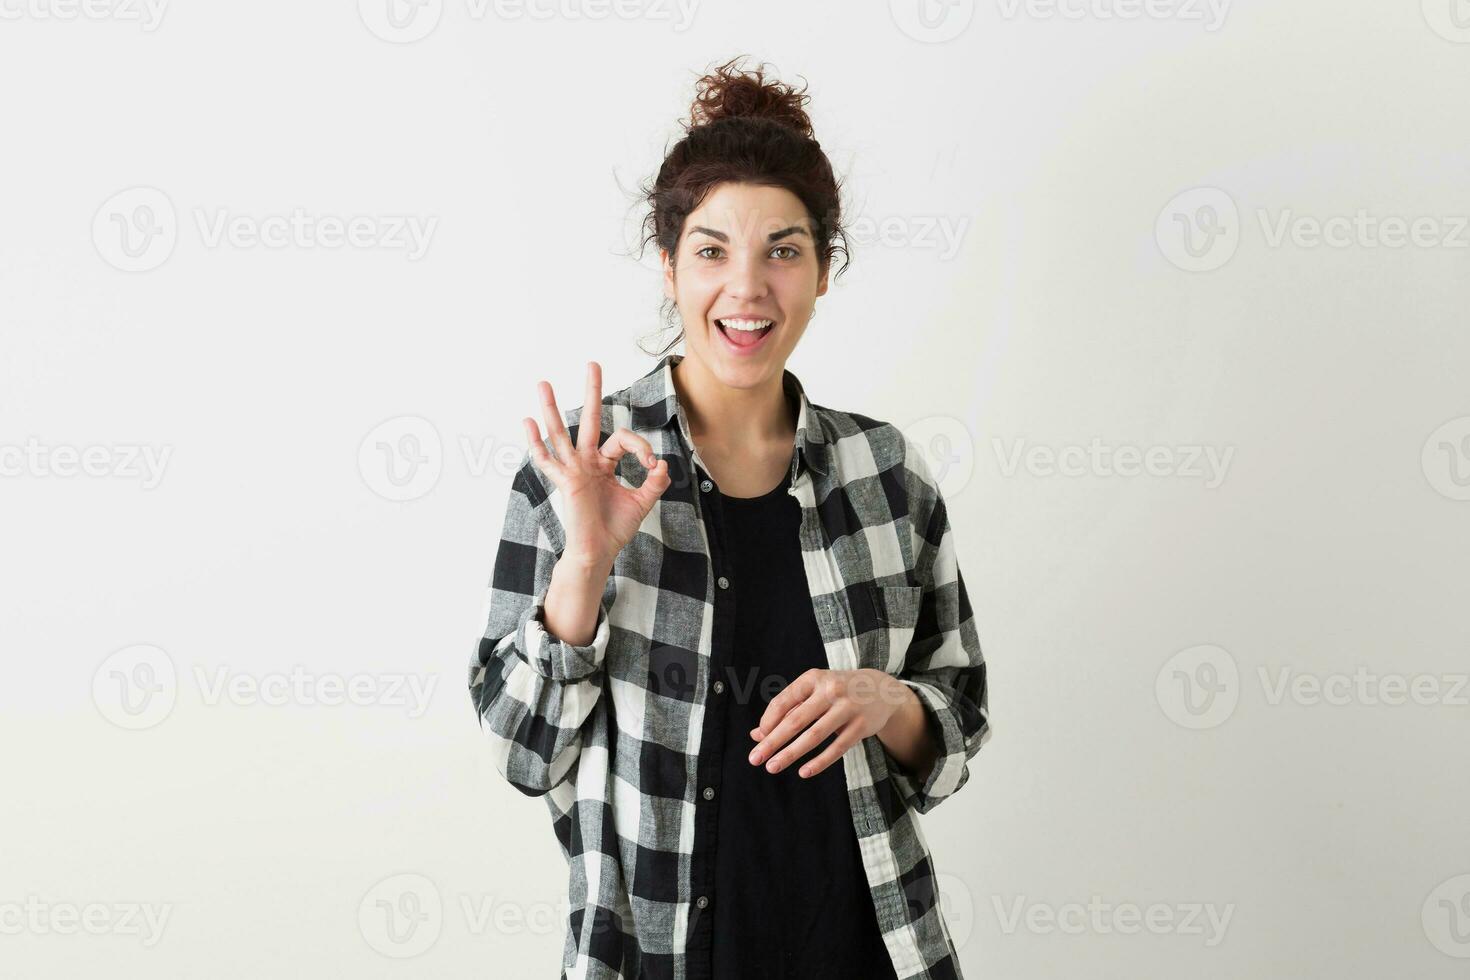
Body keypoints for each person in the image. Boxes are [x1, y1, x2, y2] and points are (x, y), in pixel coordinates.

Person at [469, 56, 990, 980]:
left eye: (783, 250)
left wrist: (889, 702)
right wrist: (584, 563)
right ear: (668, 266)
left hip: (872, 952)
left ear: (824, 271)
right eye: (712, 250)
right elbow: (524, 753)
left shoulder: (885, 470)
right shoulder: (578, 466)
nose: (747, 289)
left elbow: (955, 729)